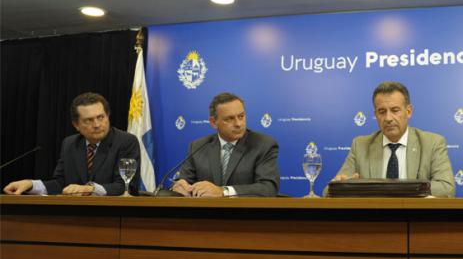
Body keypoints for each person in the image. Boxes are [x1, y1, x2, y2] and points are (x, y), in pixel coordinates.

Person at [329, 81, 455, 198]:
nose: (388, 118)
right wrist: (342, 186)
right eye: (382, 111)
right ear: (376, 115)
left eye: (395, 110)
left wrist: (395, 189)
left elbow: (446, 188)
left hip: (416, 218)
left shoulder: (432, 143)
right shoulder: (360, 145)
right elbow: (329, 191)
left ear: (409, 111)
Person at [3, 92, 140, 196]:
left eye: (101, 117)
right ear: (76, 125)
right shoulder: (70, 144)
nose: (97, 125)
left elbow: (126, 186)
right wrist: (30, 184)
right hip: (74, 216)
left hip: (113, 217)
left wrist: (90, 189)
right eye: (89, 120)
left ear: (108, 116)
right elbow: (60, 184)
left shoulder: (126, 141)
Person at [172, 92, 280, 197]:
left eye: (241, 116)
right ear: (213, 122)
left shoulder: (263, 145)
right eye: (229, 119)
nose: (238, 124)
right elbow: (184, 181)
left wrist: (223, 192)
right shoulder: (198, 146)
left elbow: (268, 187)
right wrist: (180, 187)